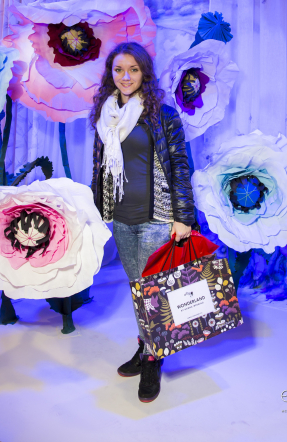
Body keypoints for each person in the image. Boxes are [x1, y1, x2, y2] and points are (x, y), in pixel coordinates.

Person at [90, 41, 194, 403]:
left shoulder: (162, 115)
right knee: (138, 289)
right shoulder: (105, 114)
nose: (126, 76)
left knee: (153, 290)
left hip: (156, 218)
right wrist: (96, 211)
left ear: (144, 73)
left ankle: (152, 358)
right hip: (121, 217)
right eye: (119, 69)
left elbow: (180, 166)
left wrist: (183, 217)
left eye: (133, 69)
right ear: (110, 73)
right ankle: (147, 344)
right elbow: (101, 169)